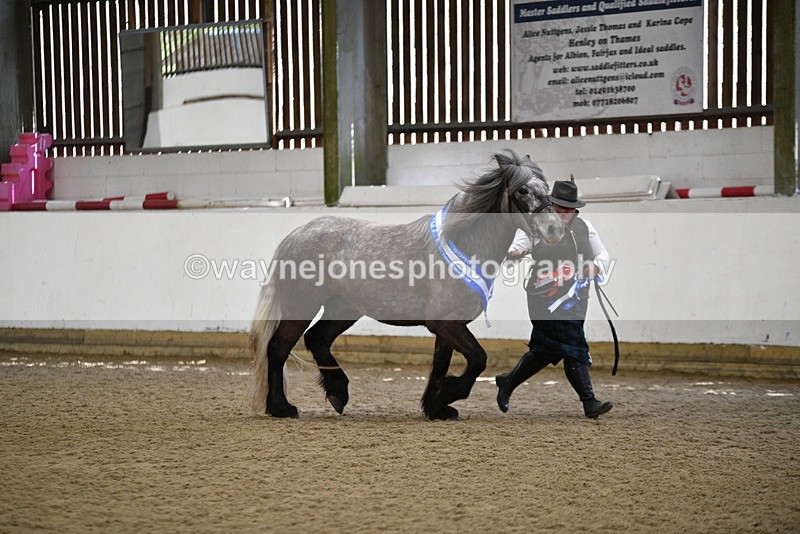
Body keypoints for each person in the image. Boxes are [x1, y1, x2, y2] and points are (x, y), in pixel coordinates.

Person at [496, 177, 613, 419]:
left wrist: (597, 266)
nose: (565, 213)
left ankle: (507, 381)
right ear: (551, 206)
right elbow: (517, 248)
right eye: (560, 208)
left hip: (577, 296)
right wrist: (515, 252)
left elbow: (602, 253)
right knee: (574, 344)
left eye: (569, 208)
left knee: (545, 350)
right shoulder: (534, 226)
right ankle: (589, 402)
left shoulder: (586, 227)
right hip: (544, 296)